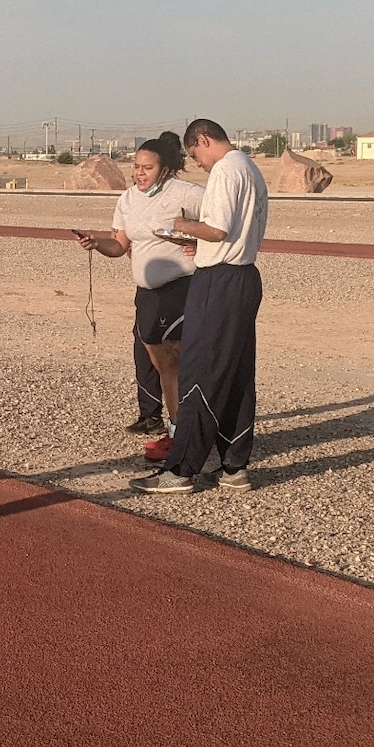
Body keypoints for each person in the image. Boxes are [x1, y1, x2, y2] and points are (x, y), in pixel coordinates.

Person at [130, 119, 268, 494]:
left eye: (196, 154)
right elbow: (235, 233)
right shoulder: (250, 167)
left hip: (219, 281)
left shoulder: (226, 170)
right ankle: (233, 466)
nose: (199, 163)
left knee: (199, 370)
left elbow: (218, 229)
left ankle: (181, 469)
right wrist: (202, 246)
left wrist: (183, 225)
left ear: (203, 140)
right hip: (243, 276)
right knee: (236, 374)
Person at [76, 133, 205, 455]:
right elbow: (119, 245)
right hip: (146, 292)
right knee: (153, 359)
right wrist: (96, 243)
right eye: (136, 166)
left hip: (180, 287)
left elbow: (223, 227)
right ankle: (160, 421)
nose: (139, 173)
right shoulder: (128, 199)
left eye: (147, 167)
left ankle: (182, 433)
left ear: (166, 169)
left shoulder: (188, 194)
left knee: (171, 361)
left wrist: (200, 244)